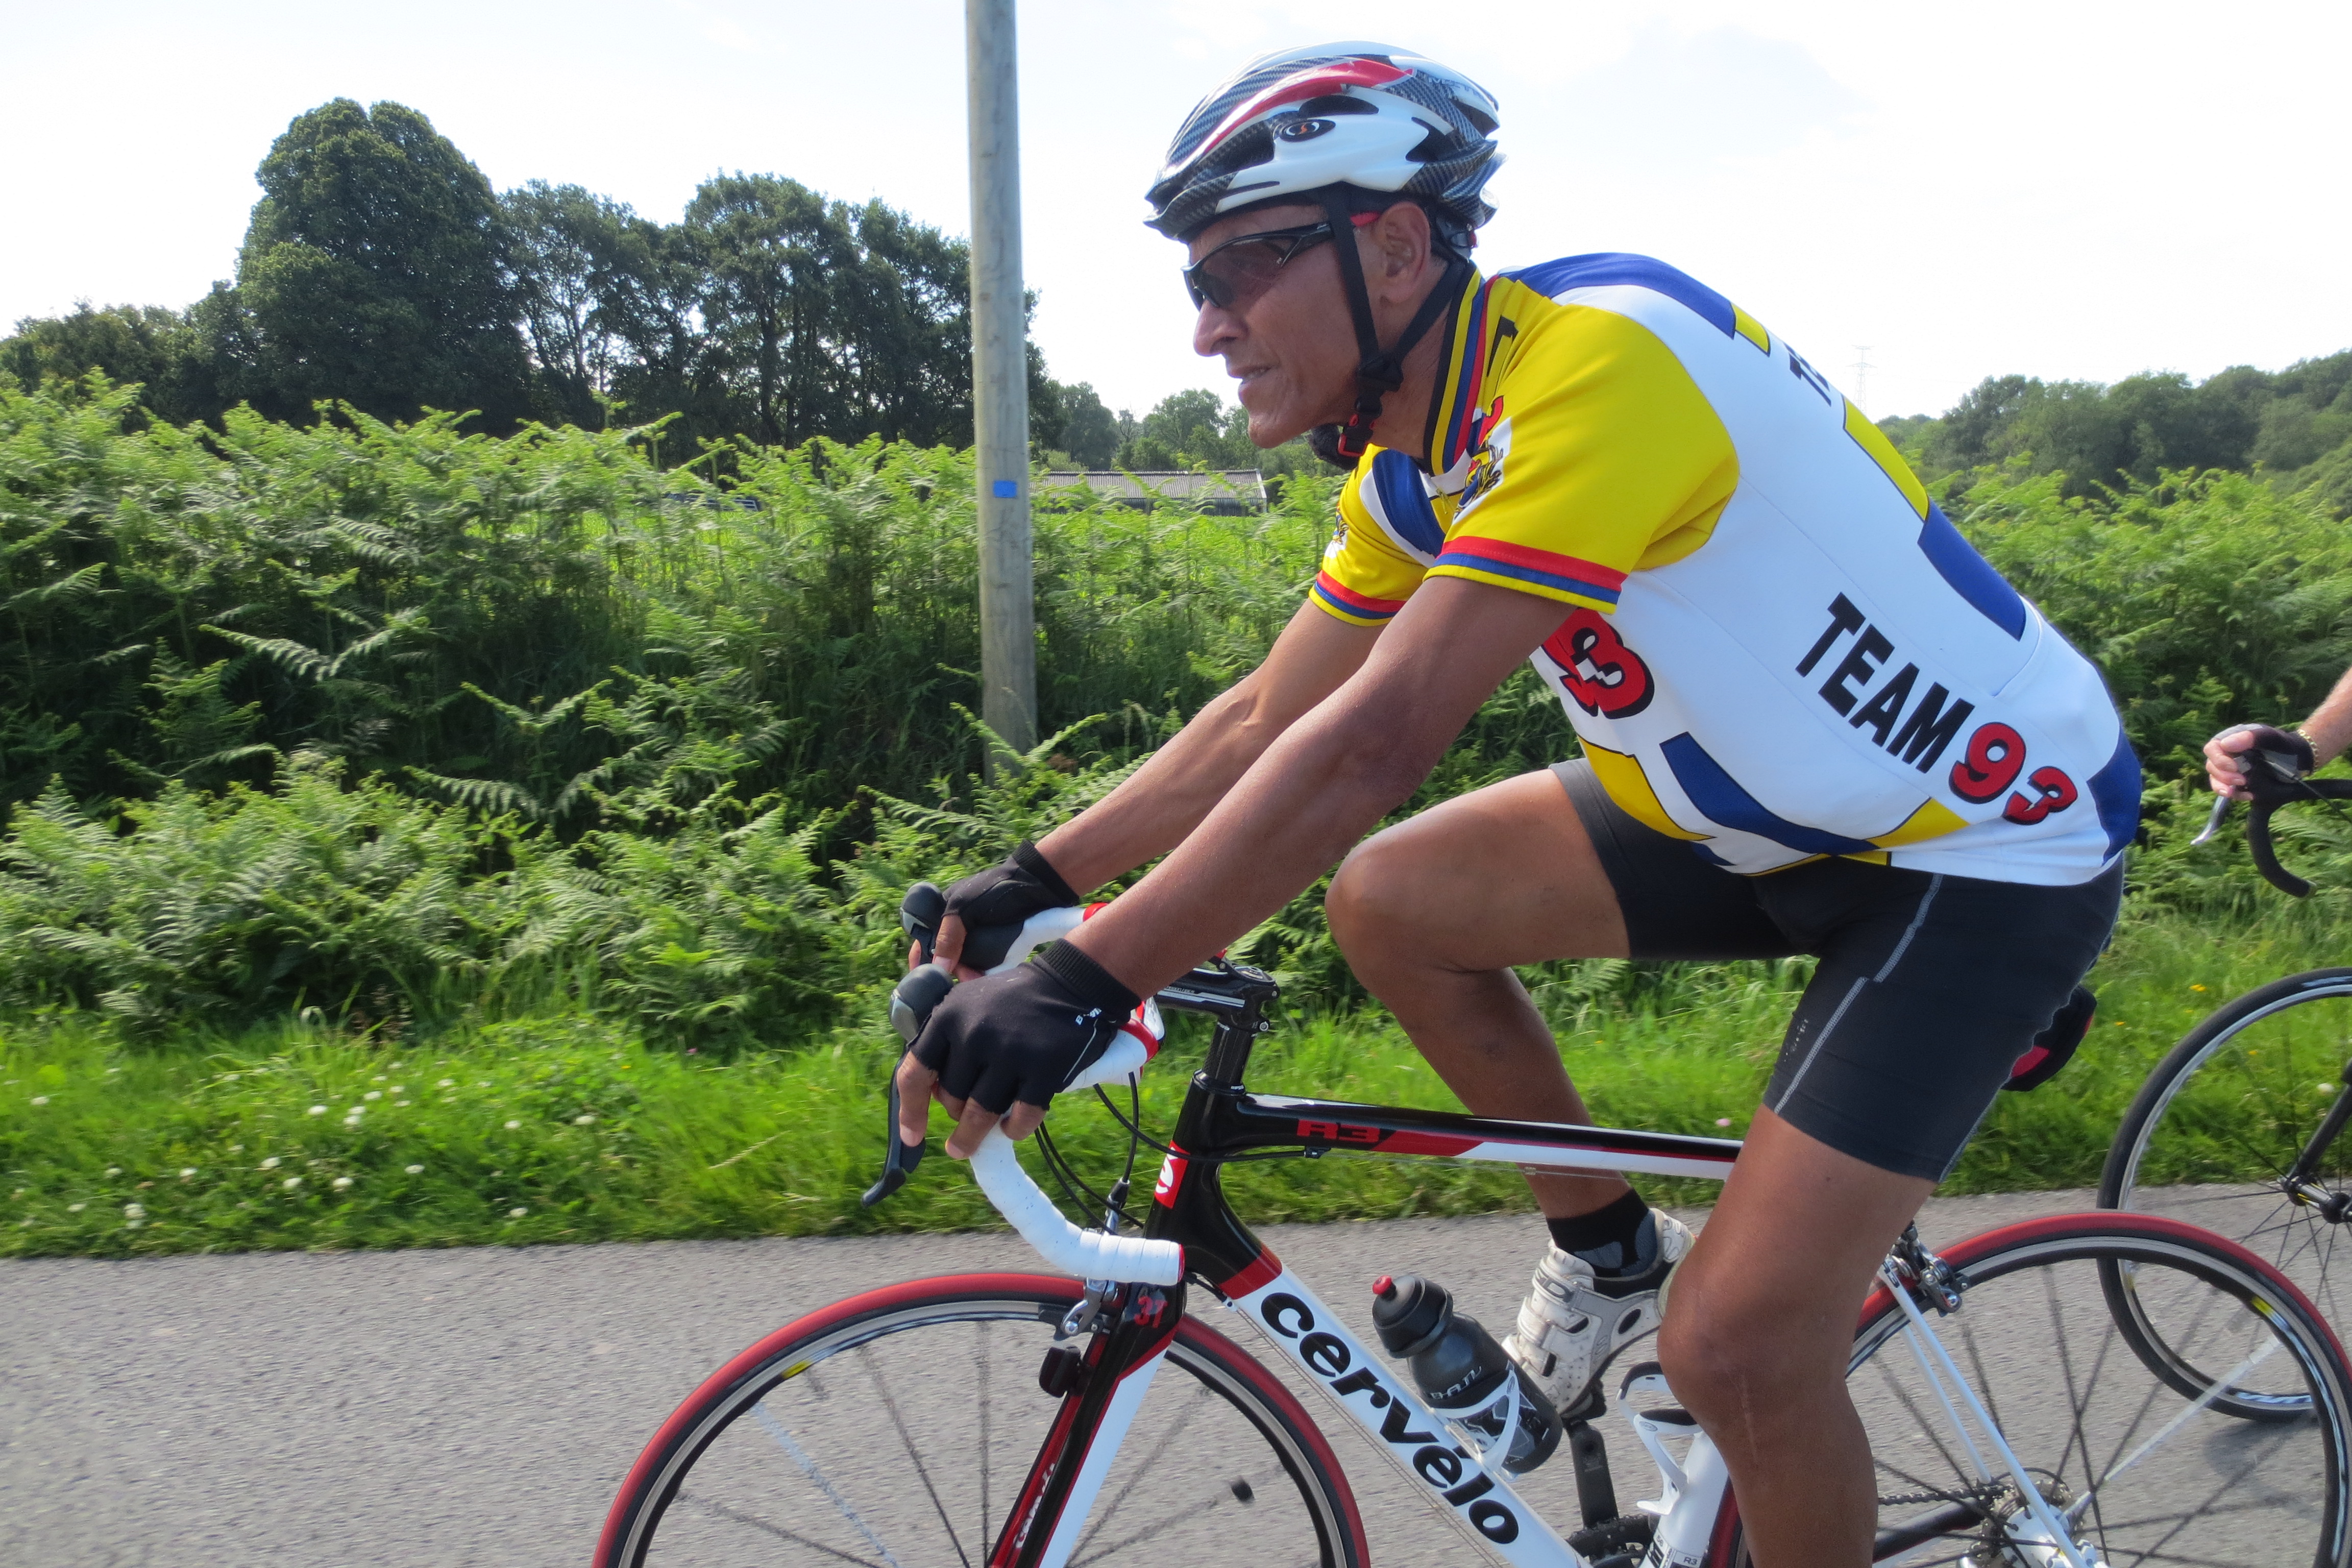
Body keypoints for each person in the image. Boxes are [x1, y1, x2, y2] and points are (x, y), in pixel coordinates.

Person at [898, 43, 2138, 1566]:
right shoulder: (1414, 465)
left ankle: (1706, 1337)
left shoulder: (1605, 364)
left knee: (1741, 1349)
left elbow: (1376, 741)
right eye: (1195, 282)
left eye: (1243, 269)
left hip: (1981, 846)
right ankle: (1610, 1254)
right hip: (1762, 813)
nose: (1209, 324)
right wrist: (1039, 878)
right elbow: (1273, 714)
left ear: (1394, 246)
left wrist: (1090, 976)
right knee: (1395, 902)